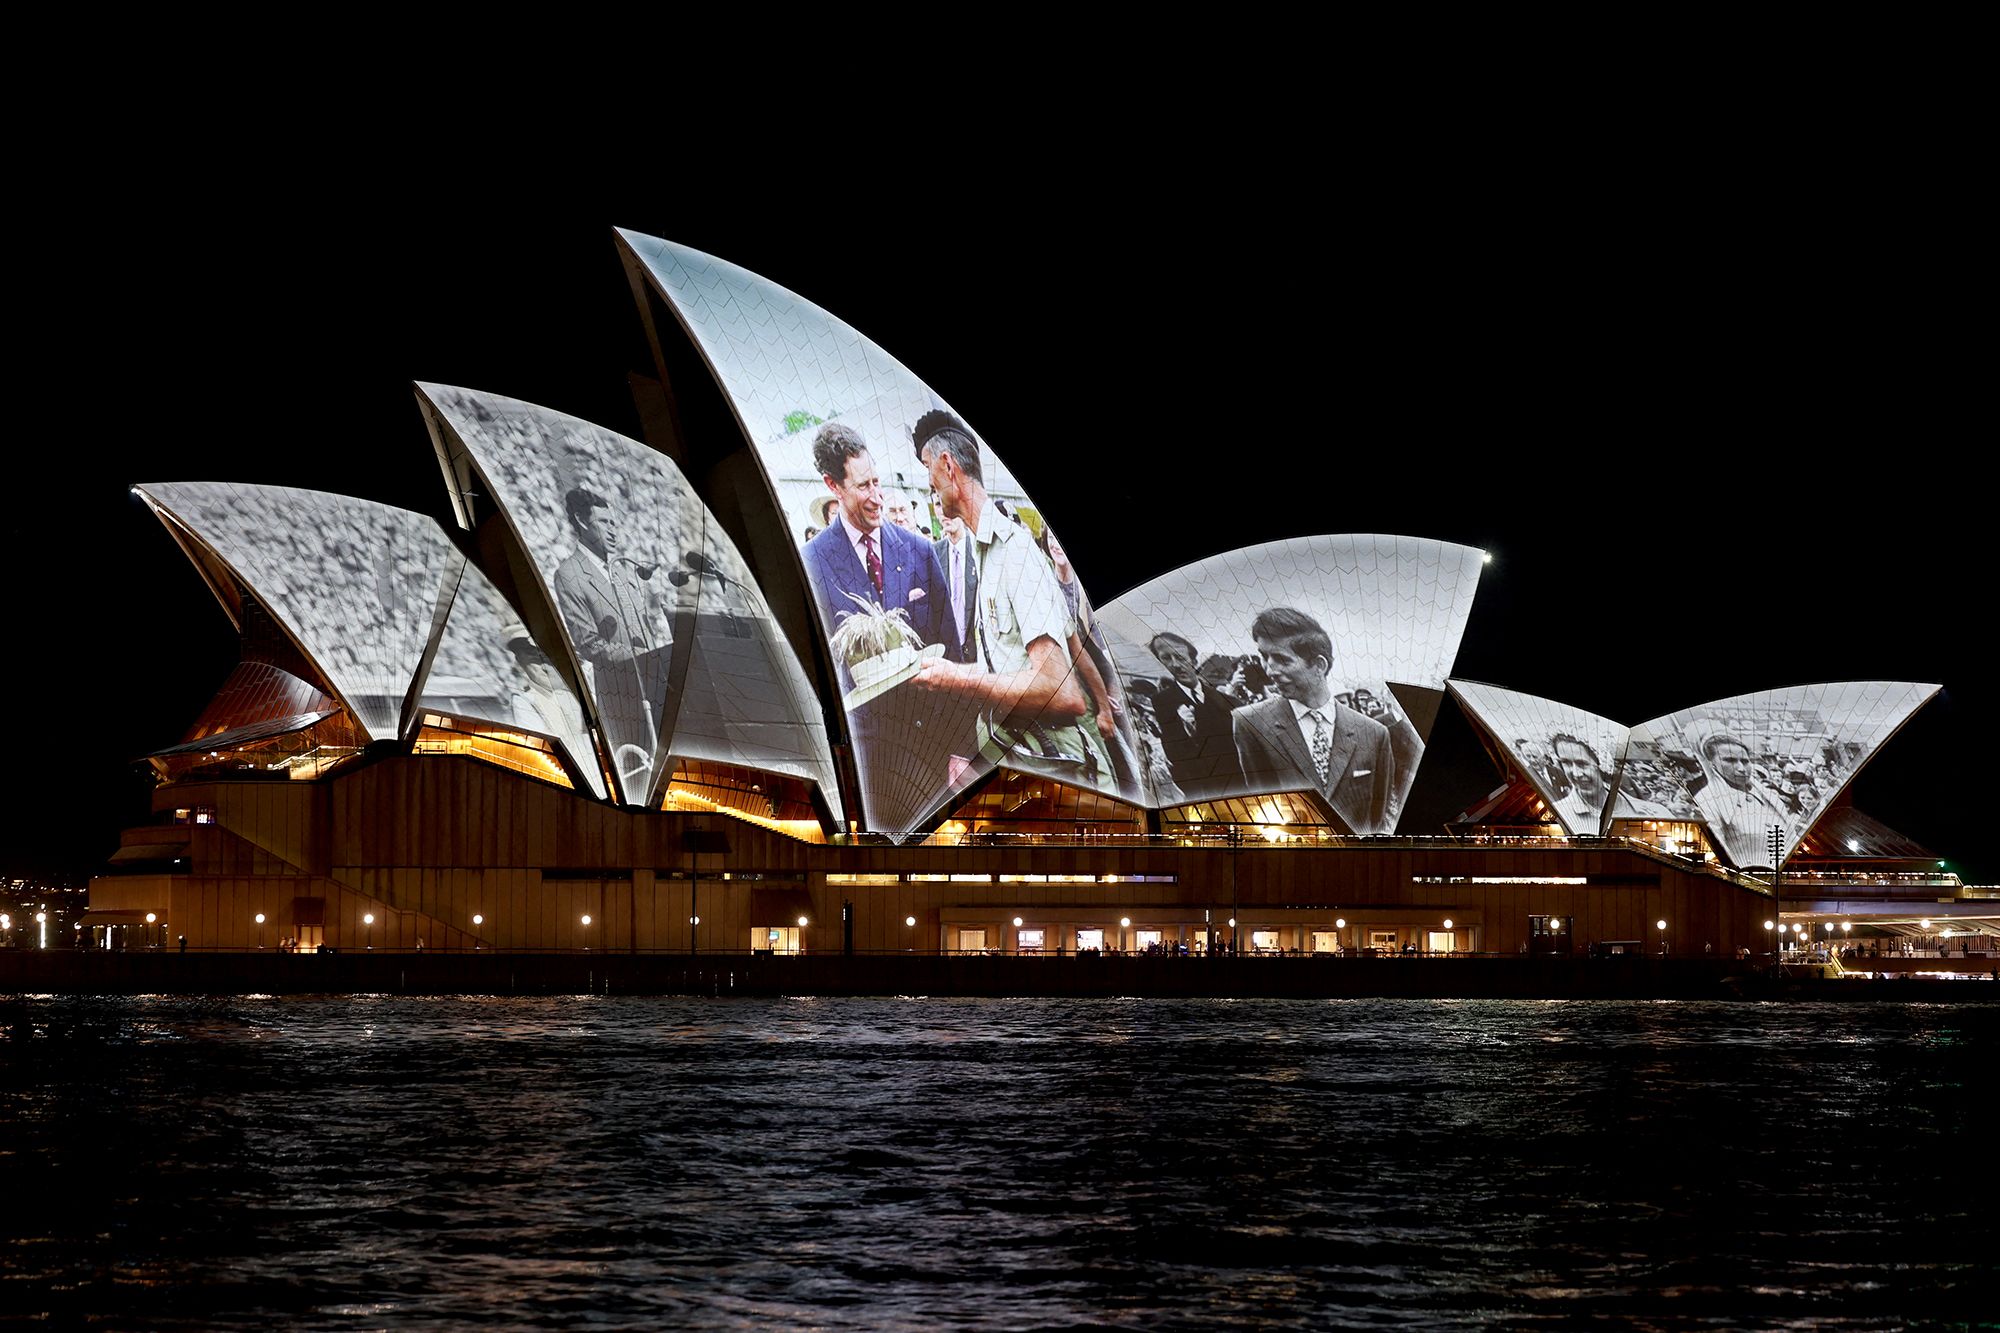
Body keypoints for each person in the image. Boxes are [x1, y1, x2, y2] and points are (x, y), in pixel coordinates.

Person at [911, 411, 1115, 795]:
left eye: (927, 469)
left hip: (1066, 777)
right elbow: (1052, 648)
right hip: (1027, 767)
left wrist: (957, 677)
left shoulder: (1016, 551)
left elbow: (1062, 692)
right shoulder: (981, 551)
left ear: (947, 466)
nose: (928, 484)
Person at [801, 424, 957, 827]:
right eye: (862, 487)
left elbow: (952, 649)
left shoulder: (919, 551)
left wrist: (960, 751)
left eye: (877, 482)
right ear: (832, 485)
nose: (876, 498)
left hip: (929, 755)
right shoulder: (811, 565)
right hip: (861, 768)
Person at [1230, 607, 1395, 834]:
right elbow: (1261, 813)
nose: (1269, 670)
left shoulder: (1375, 734)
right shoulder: (1250, 724)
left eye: (1281, 660)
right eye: (1264, 657)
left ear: (1319, 666)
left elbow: (1377, 819)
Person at [553, 486, 671, 794]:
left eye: (614, 523)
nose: (613, 531)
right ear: (581, 521)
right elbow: (588, 643)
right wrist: (640, 656)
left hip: (655, 686)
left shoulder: (625, 570)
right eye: (605, 522)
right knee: (637, 784)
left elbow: (643, 627)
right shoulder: (568, 574)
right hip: (621, 695)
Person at [1148, 631, 1240, 796]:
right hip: (1203, 793)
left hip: (1239, 786)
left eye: (1180, 657)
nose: (1175, 665)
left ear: (1194, 661)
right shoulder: (1162, 702)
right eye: (1166, 658)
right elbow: (1176, 756)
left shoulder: (1228, 701)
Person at [1692, 731, 1791, 866]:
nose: (1741, 768)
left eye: (1745, 761)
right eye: (1730, 760)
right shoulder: (1707, 800)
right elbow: (1717, 849)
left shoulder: (1770, 797)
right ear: (1712, 764)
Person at [1551, 732, 1612, 832]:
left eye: (1582, 763)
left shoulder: (1626, 803)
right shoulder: (1559, 812)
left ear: (1601, 764)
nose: (1576, 773)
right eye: (1566, 763)